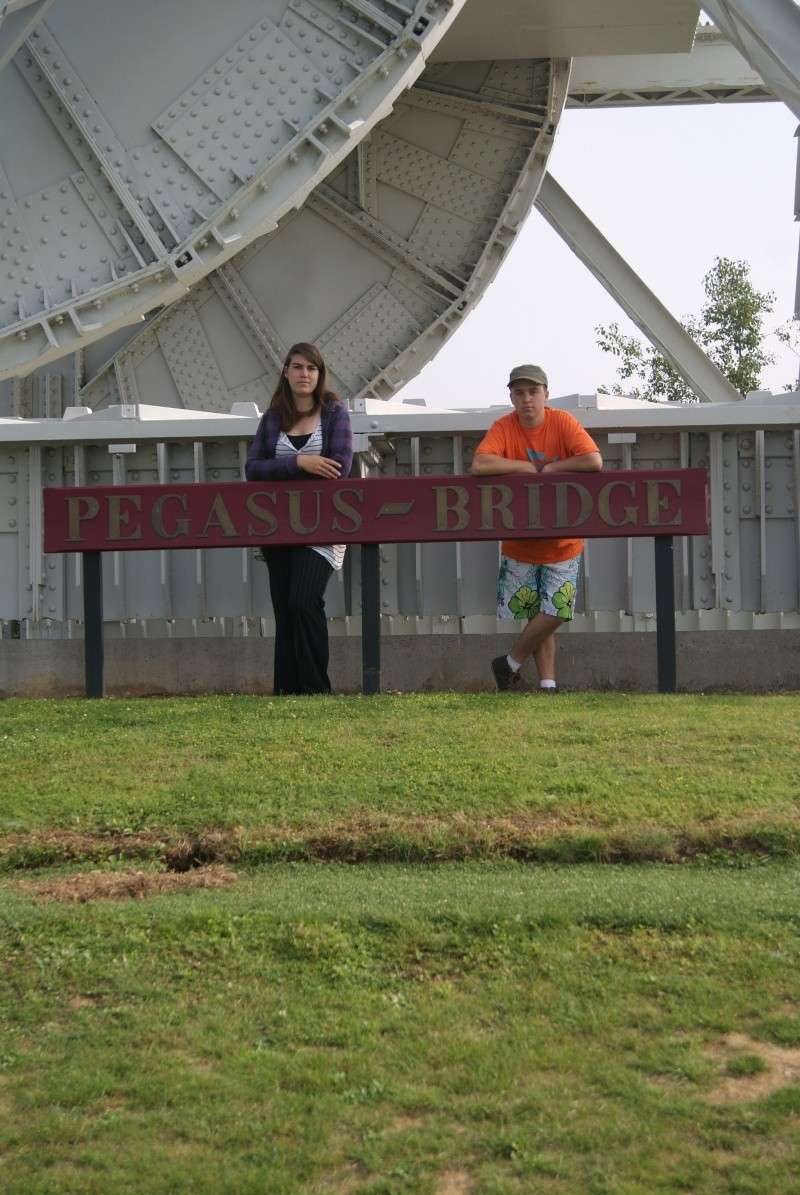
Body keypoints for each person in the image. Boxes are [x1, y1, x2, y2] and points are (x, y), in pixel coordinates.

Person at [471, 364, 602, 693]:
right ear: (512, 397)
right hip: (521, 542)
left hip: (563, 541)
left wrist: (554, 467)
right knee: (537, 618)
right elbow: (480, 463)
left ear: (546, 393)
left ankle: (510, 663)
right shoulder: (503, 427)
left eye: (533, 391)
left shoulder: (562, 422)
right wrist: (526, 467)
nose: (527, 399)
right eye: (519, 393)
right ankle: (547, 684)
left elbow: (593, 460)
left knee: (556, 610)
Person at [245, 342, 353, 695]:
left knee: (304, 601)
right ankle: (286, 692)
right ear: (286, 373)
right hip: (279, 528)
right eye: (297, 367)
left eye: (311, 368)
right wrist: (300, 463)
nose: (304, 374)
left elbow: (340, 466)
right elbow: (253, 468)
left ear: (320, 374)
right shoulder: (273, 418)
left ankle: (316, 689)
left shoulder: (334, 413)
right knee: (284, 610)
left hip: (321, 528)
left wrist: (284, 473)